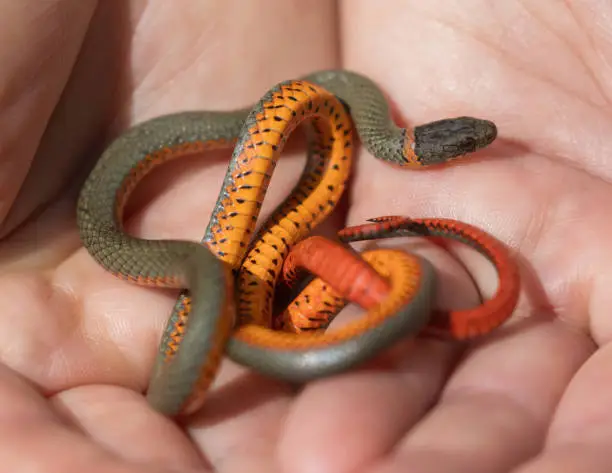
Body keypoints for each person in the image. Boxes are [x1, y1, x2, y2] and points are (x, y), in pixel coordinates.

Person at [0, 1, 605, 472]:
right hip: (157, 243)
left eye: (467, 143)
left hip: (304, 235)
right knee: (207, 272)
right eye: (465, 142)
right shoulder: (323, 113)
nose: (473, 143)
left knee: (222, 276)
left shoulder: (353, 114)